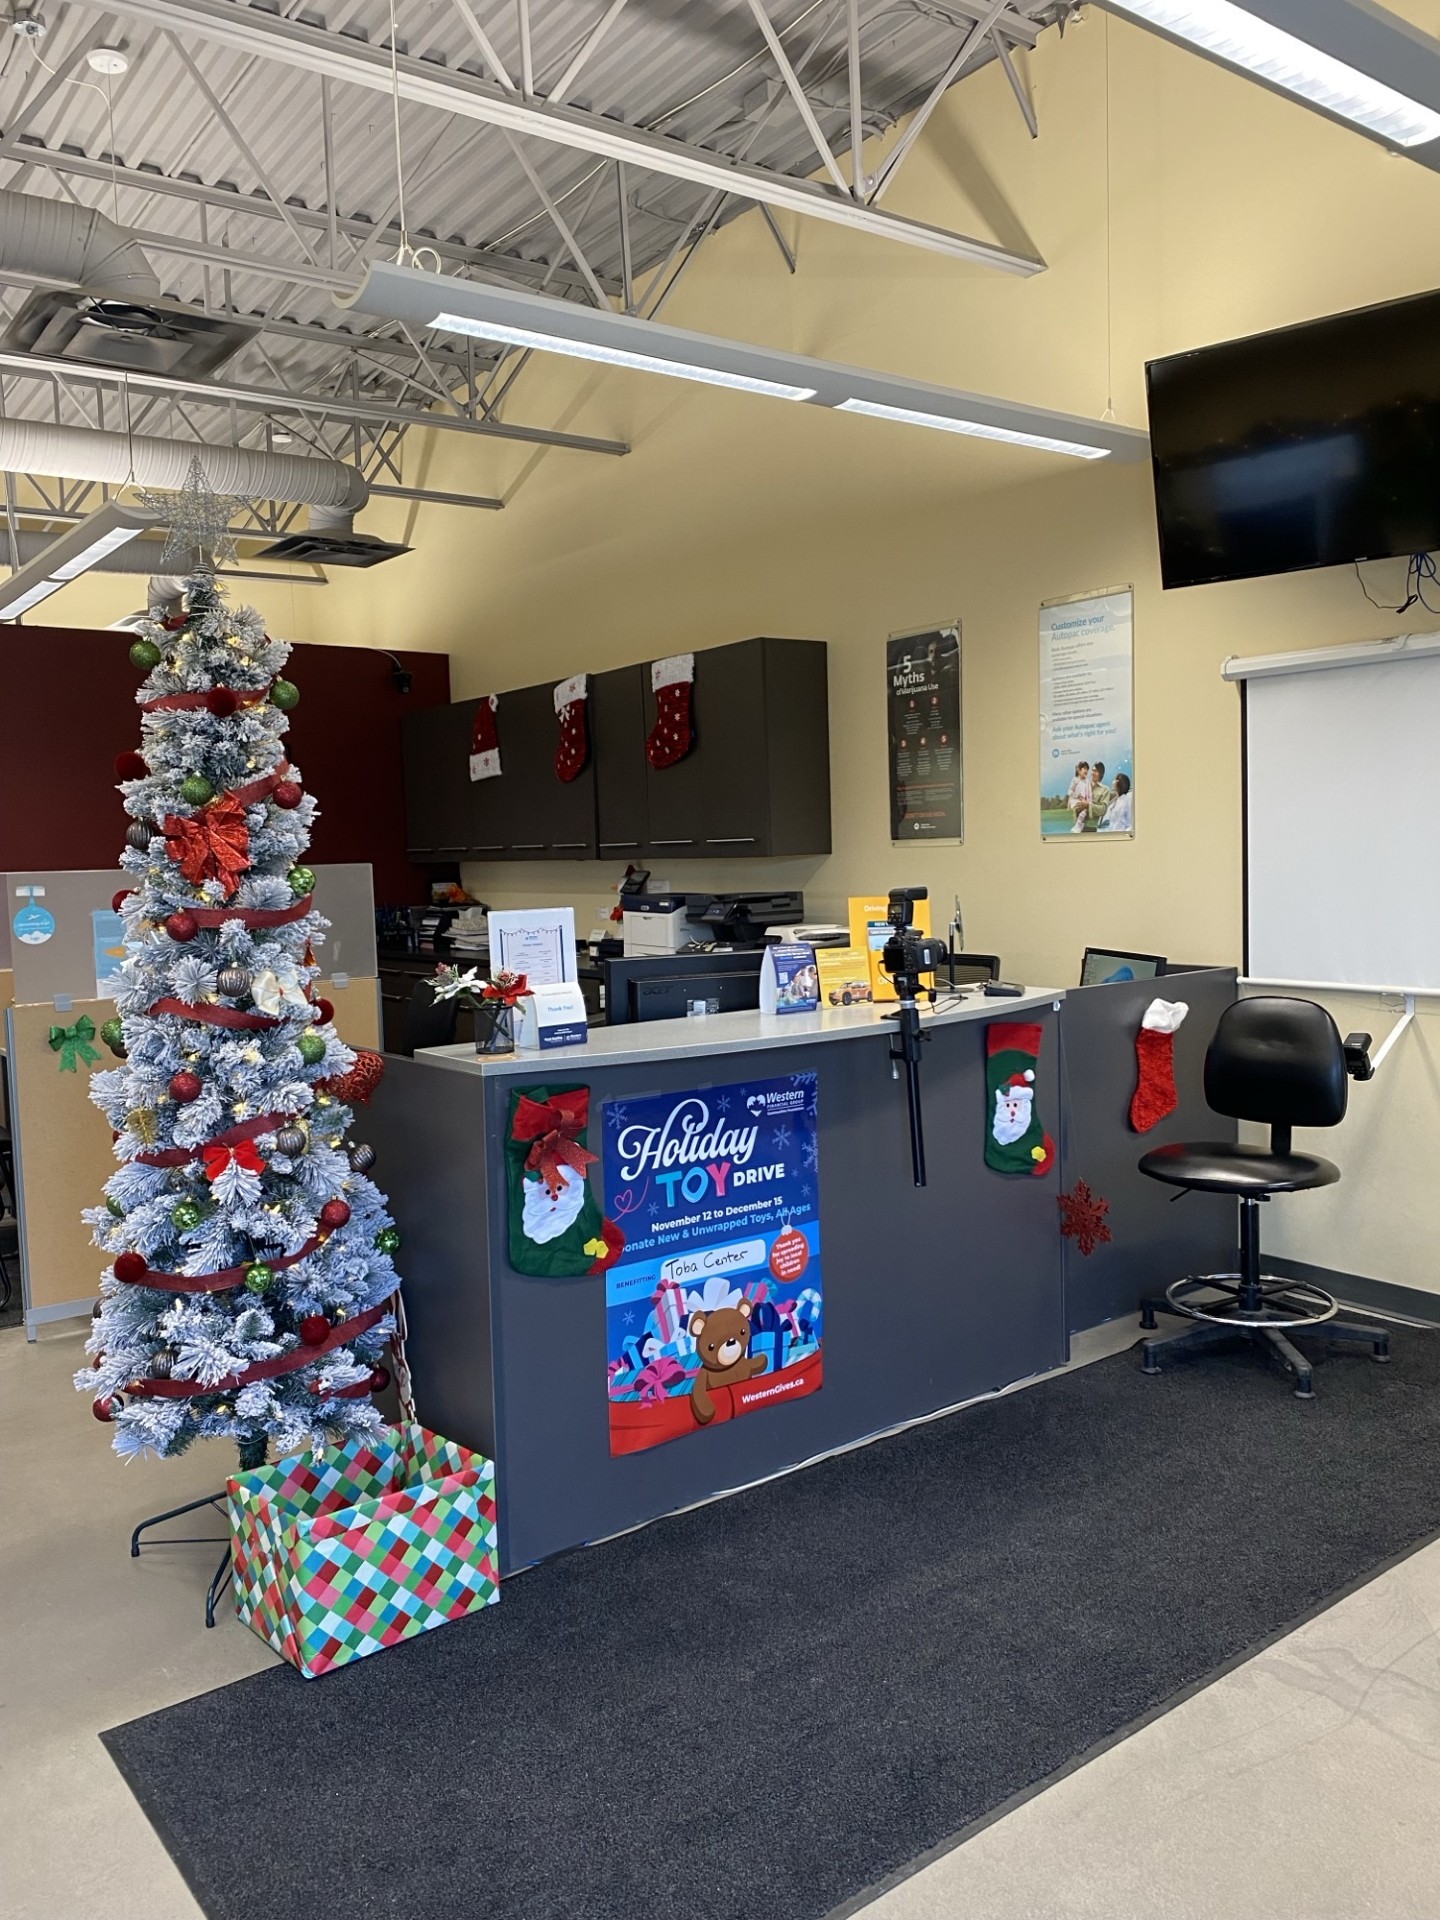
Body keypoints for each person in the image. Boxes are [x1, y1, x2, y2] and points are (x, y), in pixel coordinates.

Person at [1065, 761, 1091, 833]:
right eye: (1084, 768)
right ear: (1079, 770)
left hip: (1083, 801)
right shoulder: (1075, 780)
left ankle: (1079, 825)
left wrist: (1089, 802)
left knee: (1086, 808)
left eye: (1087, 769)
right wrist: (1077, 795)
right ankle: (1078, 824)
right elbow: (1069, 791)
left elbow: (1089, 793)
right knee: (1082, 809)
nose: (1086, 770)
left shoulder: (1087, 781)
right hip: (1075, 800)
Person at [1088, 760, 1112, 829]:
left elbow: (1103, 810)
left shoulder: (1105, 790)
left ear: (1101, 774)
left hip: (1092, 828)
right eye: (1092, 770)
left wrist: (1087, 805)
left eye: (1095, 771)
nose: (1093, 773)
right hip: (1078, 827)